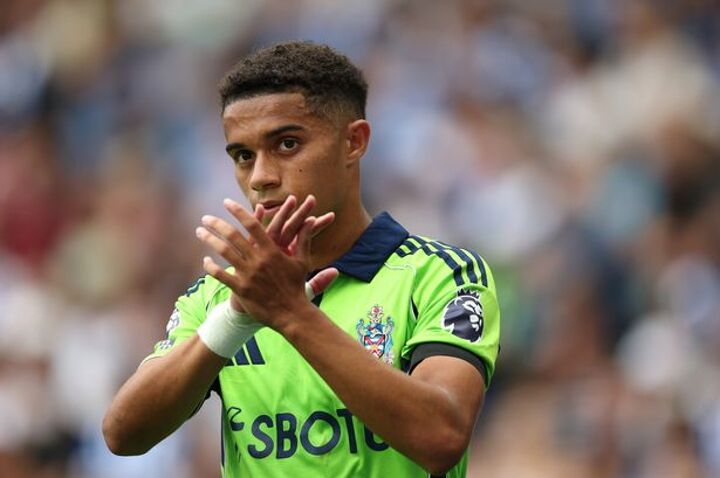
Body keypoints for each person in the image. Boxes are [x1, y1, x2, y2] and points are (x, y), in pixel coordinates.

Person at [102, 41, 500, 478]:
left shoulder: (440, 276)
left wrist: (290, 312)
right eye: (243, 156)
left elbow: (441, 436)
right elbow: (123, 434)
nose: (260, 177)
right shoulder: (223, 295)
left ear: (354, 142)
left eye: (287, 144)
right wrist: (234, 319)